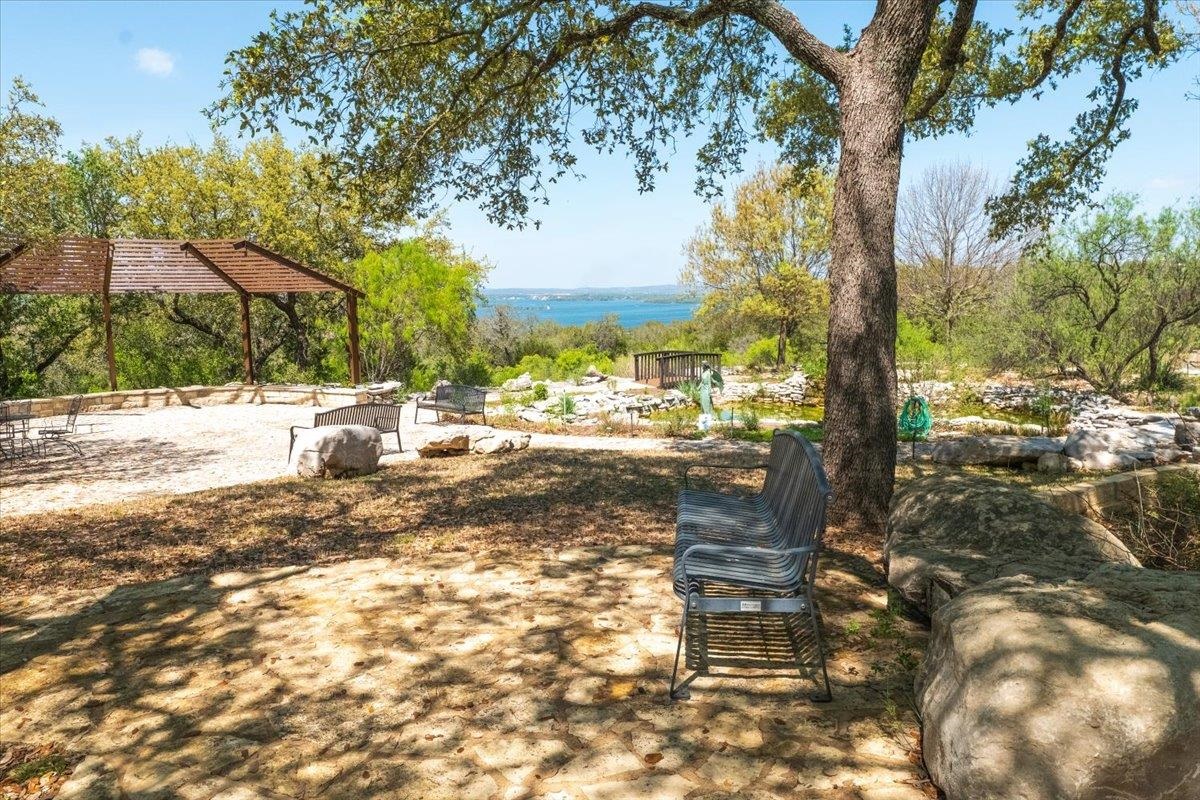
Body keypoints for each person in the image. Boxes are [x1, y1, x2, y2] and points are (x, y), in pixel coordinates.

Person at [697, 360, 724, 432]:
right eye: (701, 364)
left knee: (706, 404)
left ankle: (706, 425)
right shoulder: (703, 372)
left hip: (706, 391)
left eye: (702, 365)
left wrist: (709, 392)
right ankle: (704, 422)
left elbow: (709, 383)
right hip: (702, 390)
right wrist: (698, 388)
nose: (701, 366)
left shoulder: (709, 373)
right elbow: (702, 382)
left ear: (705, 365)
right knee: (703, 404)